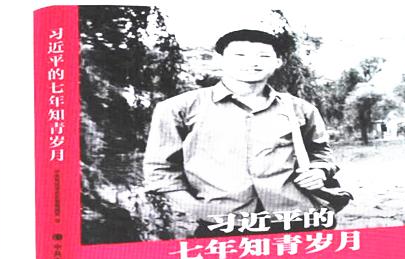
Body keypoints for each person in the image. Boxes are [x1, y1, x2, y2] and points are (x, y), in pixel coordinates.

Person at [143, 26, 338, 237]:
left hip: (298, 218)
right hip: (222, 223)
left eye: (263, 56)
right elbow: (160, 169)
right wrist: (198, 209)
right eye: (240, 55)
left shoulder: (300, 108)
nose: (252, 62)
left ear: (278, 62)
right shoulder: (178, 108)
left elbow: (320, 152)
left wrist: (319, 171)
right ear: (219, 60)